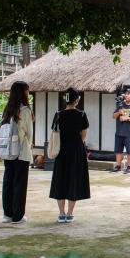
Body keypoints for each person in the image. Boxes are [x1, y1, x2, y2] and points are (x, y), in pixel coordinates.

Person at [50, 88, 89, 223]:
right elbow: (83, 135)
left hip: (61, 150)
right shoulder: (82, 114)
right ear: (77, 100)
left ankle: (61, 213)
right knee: (74, 179)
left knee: (60, 179)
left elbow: (55, 132)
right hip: (76, 150)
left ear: (65, 99)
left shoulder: (58, 114)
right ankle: (70, 213)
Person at [0, 81, 33, 224]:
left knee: (8, 181)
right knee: (20, 183)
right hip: (21, 150)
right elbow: (28, 132)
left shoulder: (8, 109)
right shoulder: (25, 110)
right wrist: (29, 144)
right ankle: (18, 215)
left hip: (8, 150)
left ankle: (7, 214)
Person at [110, 88, 130, 174]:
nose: (126, 95)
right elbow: (113, 116)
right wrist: (119, 113)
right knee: (118, 151)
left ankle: (129, 167)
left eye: (128, 94)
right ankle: (118, 166)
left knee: (129, 151)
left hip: (129, 133)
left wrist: (127, 118)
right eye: (125, 94)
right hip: (119, 132)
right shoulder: (121, 105)